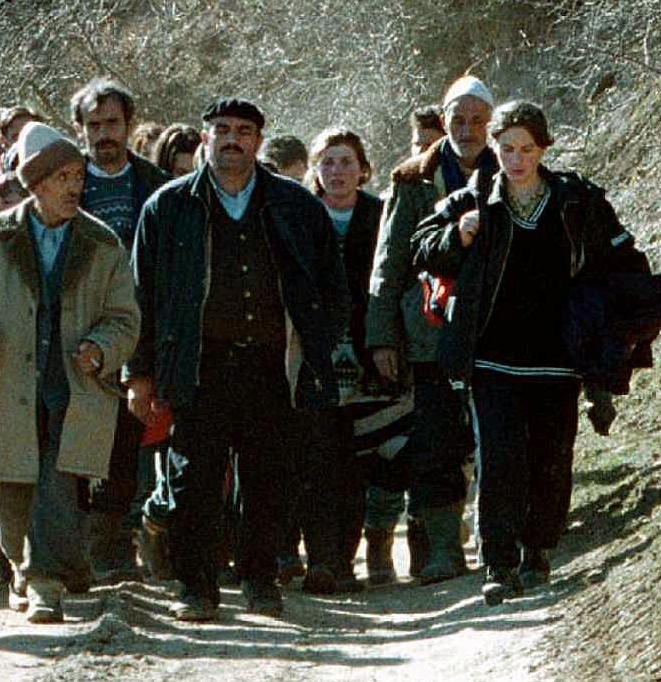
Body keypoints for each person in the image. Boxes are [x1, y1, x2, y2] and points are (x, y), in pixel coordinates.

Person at [124, 97, 349, 622]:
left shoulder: (295, 205)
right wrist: (140, 373)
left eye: (243, 131)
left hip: (272, 366)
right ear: (204, 138)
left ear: (258, 141)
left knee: (268, 479)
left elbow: (333, 288)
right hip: (198, 366)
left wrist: (315, 345)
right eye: (221, 129)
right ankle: (196, 587)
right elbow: (142, 297)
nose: (231, 139)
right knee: (193, 481)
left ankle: (259, 580)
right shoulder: (168, 206)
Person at [412, 100, 644, 605]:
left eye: (526, 149)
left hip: (559, 357)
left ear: (543, 149)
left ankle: (537, 551)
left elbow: (621, 258)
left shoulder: (575, 202)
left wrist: (614, 333)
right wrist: (459, 233)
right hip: (492, 357)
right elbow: (422, 246)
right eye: (507, 148)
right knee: (499, 459)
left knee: (550, 459)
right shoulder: (474, 200)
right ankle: (497, 562)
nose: (515, 159)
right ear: (494, 149)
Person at [0, 122, 141, 623]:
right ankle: (30, 565)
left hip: (72, 385)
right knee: (9, 491)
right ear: (35, 184)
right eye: (62, 177)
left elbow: (124, 317)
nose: (75, 186)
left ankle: (44, 582)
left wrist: (101, 348)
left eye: (79, 176)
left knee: (57, 482)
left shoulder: (103, 245)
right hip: (8, 381)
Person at [364, 75, 495, 584]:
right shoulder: (411, 179)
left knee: (491, 433)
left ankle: (497, 537)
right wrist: (381, 336)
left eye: (477, 120)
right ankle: (443, 549)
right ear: (444, 122)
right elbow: (388, 261)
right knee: (436, 438)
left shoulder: (508, 167)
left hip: (491, 327)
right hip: (426, 332)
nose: (467, 129)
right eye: (457, 120)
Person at [68, 77, 169, 579]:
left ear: (129, 125)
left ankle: (125, 545)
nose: (103, 133)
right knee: (81, 442)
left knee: (132, 440)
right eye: (93, 124)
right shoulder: (65, 183)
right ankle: (83, 549)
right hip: (76, 330)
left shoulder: (156, 186)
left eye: (112, 123)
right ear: (80, 129)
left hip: (140, 329)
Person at [293, 128, 392, 593]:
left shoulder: (380, 215)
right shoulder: (301, 216)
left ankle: (345, 559)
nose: (336, 172)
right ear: (315, 170)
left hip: (367, 354)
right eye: (327, 162)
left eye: (346, 162)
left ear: (363, 169)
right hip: (313, 355)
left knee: (355, 460)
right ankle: (320, 559)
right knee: (316, 455)